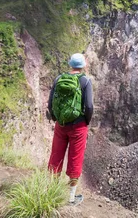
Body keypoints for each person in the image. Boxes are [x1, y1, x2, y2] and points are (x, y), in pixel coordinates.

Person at [47, 52, 94, 206]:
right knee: (75, 158)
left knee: (56, 155)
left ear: (70, 64)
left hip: (61, 125)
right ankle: (71, 198)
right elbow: (89, 106)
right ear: (83, 66)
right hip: (78, 126)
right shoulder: (85, 81)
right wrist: (85, 121)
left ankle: (51, 193)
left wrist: (57, 119)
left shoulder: (59, 79)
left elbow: (50, 103)